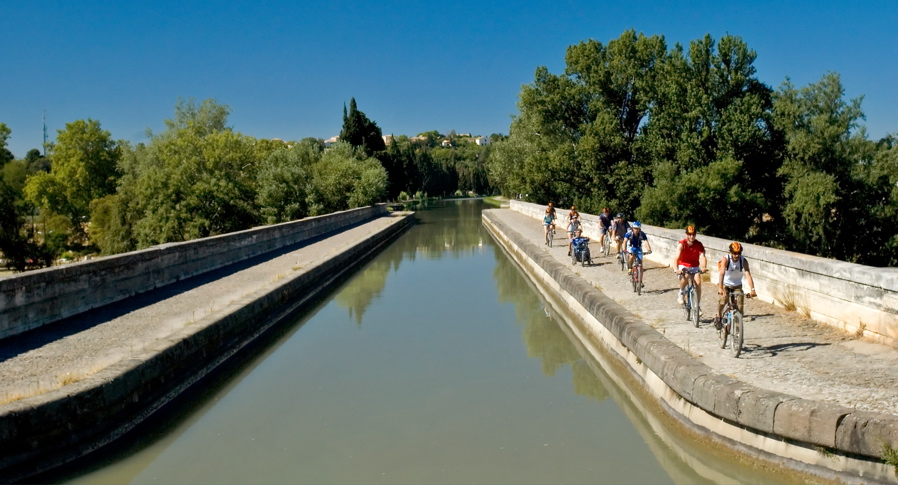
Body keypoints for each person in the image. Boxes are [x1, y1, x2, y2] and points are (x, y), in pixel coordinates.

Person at [715, 242, 757, 329]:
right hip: (726, 284)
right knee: (723, 300)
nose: (737, 255)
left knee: (740, 307)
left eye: (739, 253)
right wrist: (720, 288)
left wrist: (752, 289)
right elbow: (722, 273)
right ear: (730, 252)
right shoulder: (726, 259)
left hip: (737, 285)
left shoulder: (743, 260)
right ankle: (718, 315)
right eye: (735, 253)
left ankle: (738, 329)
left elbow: (748, 274)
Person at [674, 225, 708, 307]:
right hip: (683, 265)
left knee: (698, 283)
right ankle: (681, 292)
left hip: (694, 266)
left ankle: (697, 305)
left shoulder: (699, 244)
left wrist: (704, 267)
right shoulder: (682, 244)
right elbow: (676, 258)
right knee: (686, 275)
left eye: (693, 234)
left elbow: (703, 256)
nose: (692, 236)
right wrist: (676, 269)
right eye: (690, 234)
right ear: (686, 235)